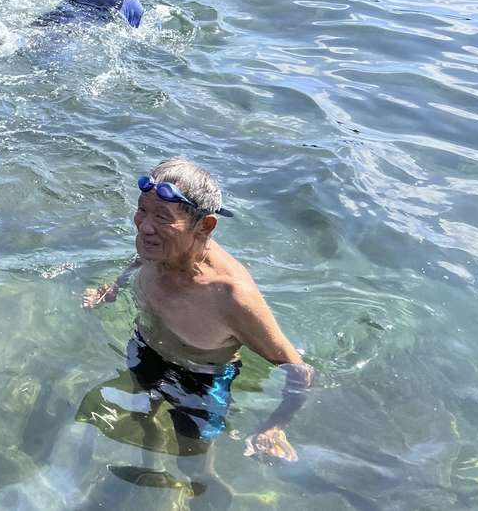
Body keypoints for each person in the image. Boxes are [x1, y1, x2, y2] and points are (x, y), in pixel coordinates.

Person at [80, 158, 313, 507]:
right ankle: (149, 470)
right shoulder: (155, 244)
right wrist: (113, 286)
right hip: (146, 347)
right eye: (142, 211)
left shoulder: (230, 295)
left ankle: (209, 493)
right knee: (142, 418)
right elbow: (139, 257)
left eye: (162, 217)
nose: (144, 226)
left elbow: (299, 370)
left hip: (200, 380)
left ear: (204, 226)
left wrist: (275, 425)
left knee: (192, 464)